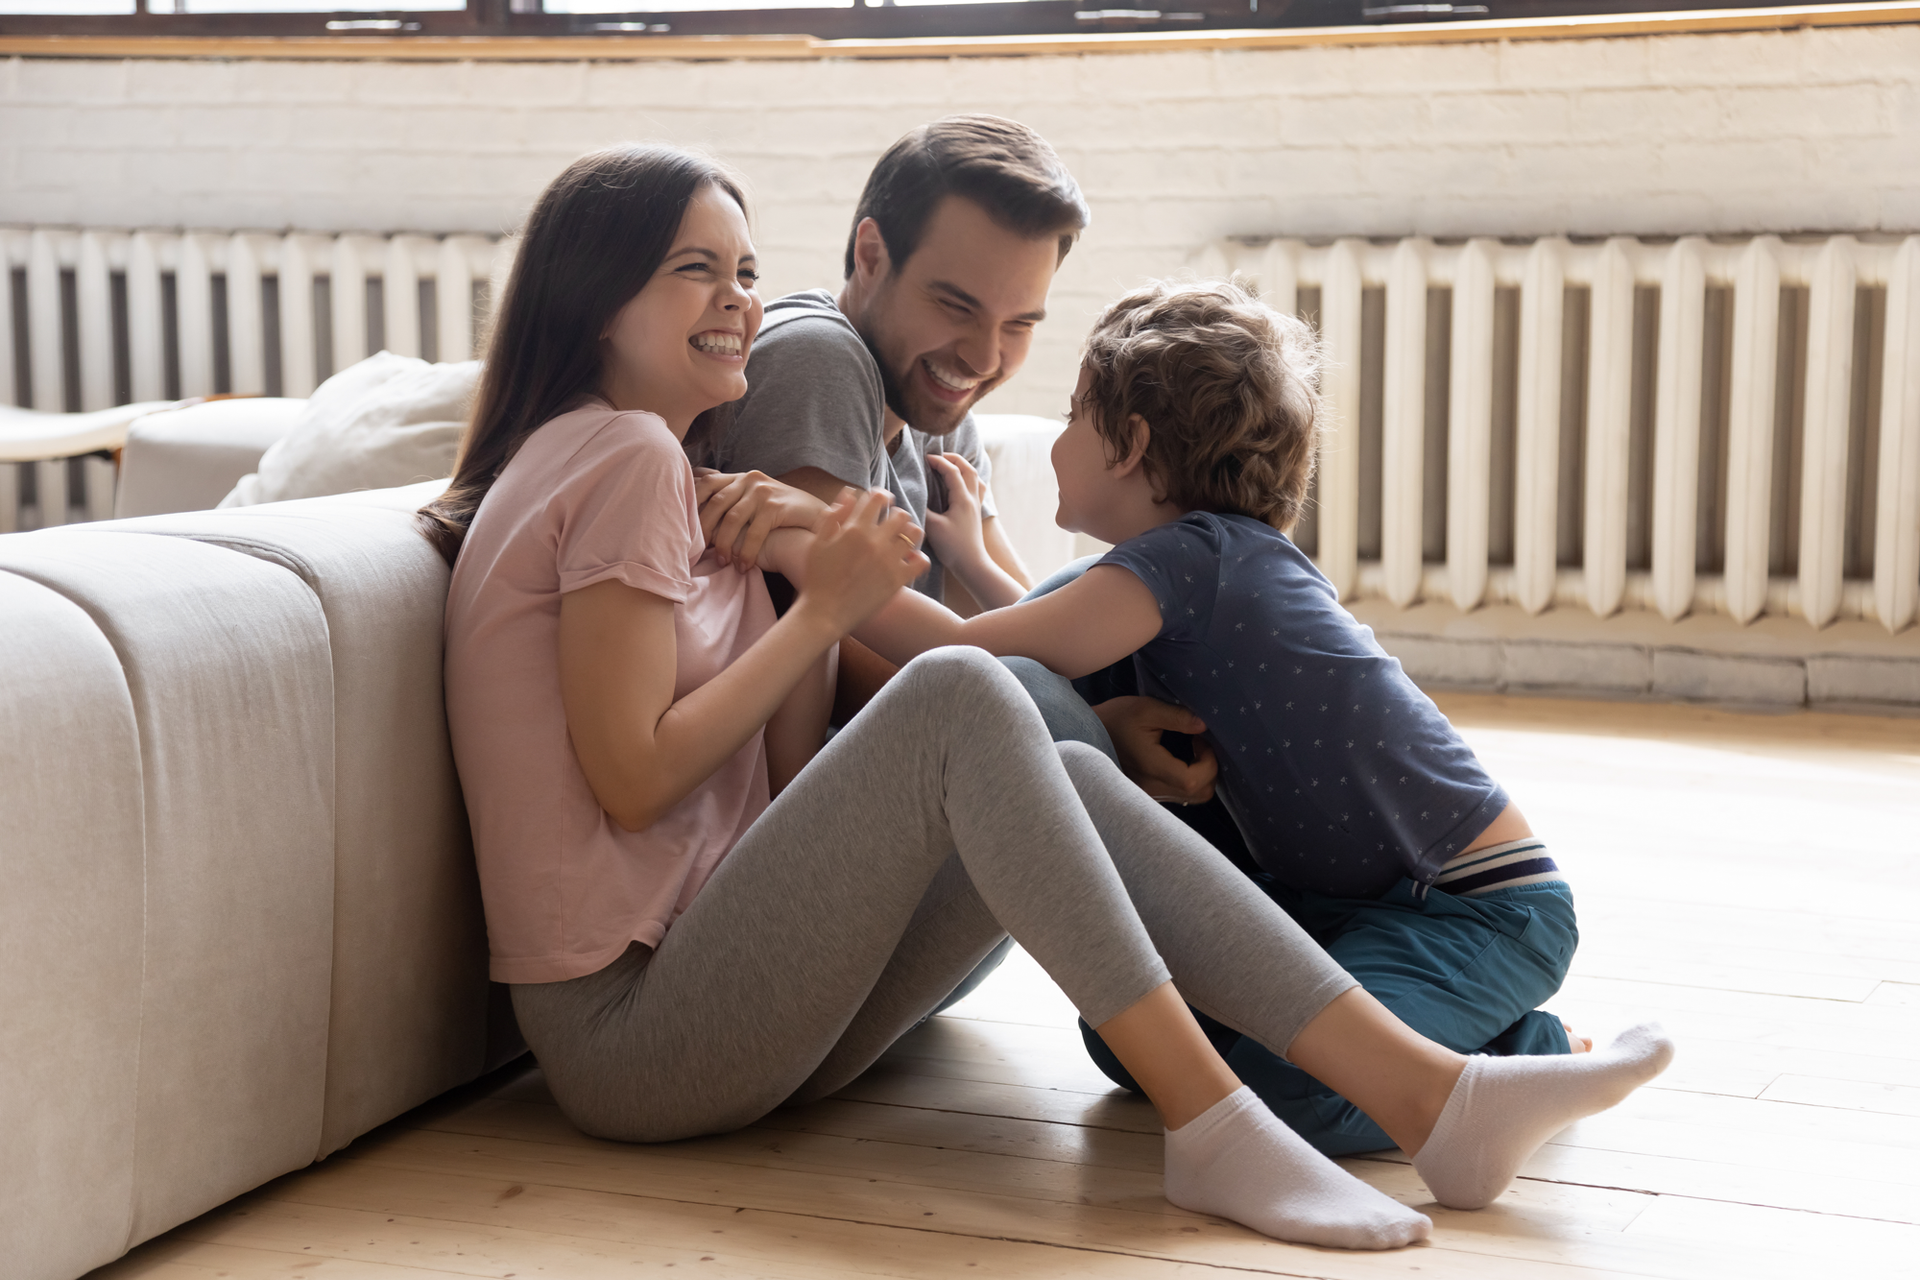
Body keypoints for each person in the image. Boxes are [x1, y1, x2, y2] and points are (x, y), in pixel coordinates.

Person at [423, 143, 1672, 1254]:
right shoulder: (621, 454)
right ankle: (1218, 1121)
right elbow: (636, 774)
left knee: (1055, 757)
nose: (742, 303)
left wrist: (805, 588)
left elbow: (777, 778)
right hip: (628, 1039)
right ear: (592, 298)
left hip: (726, 1004)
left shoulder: (663, 470)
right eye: (698, 270)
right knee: (975, 690)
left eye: (746, 269)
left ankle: (1429, 1094)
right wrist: (824, 606)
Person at [770, 278, 1622, 1157]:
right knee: (1124, 1042)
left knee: (1309, 1098)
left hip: (1471, 907)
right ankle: (1439, 1046)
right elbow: (1048, 641)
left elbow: (969, 656)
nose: (1059, 442)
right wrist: (976, 556)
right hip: (1346, 902)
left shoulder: (1188, 562)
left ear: (1131, 444)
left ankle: (1526, 1059)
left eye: (1073, 419)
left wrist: (810, 550)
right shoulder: (1197, 562)